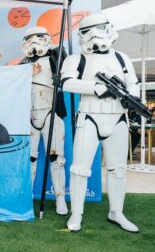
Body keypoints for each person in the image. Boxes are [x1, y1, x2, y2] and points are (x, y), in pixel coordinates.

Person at [61, 13, 139, 233]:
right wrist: (94, 88)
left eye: (99, 29)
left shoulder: (122, 58)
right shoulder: (76, 59)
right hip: (90, 116)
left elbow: (133, 83)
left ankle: (117, 212)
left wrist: (130, 96)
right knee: (79, 169)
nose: (94, 36)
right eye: (88, 31)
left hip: (118, 118)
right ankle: (76, 213)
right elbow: (66, 83)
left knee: (117, 169)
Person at [19, 26, 68, 215]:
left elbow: (70, 76)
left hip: (52, 111)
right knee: (30, 157)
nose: (34, 43)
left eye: (38, 38)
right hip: (30, 115)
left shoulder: (56, 57)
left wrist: (61, 79)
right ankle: (27, 194)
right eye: (29, 39)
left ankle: (60, 197)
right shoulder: (23, 64)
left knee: (57, 157)